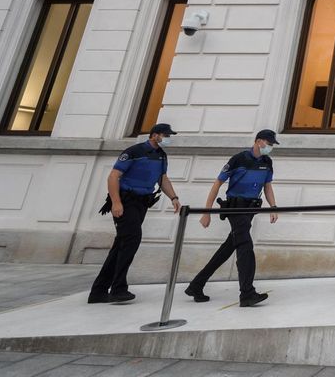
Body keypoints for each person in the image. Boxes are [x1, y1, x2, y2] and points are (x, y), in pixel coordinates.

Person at [185, 130, 279, 307]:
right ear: (258, 141)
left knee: (228, 248)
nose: (270, 147)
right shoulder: (238, 159)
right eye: (269, 143)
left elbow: (267, 186)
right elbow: (217, 183)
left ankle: (196, 285)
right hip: (235, 208)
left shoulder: (267, 162)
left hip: (250, 210)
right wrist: (207, 212)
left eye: (272, 144)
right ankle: (247, 293)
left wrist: (273, 207)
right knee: (246, 247)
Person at [89, 122, 180, 304]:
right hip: (126, 202)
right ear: (155, 135)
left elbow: (163, 179)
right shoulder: (134, 151)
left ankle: (98, 291)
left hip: (141, 203)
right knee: (132, 239)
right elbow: (113, 177)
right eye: (165, 135)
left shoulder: (161, 156)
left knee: (121, 245)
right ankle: (118, 288)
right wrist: (116, 202)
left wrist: (174, 197)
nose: (168, 139)